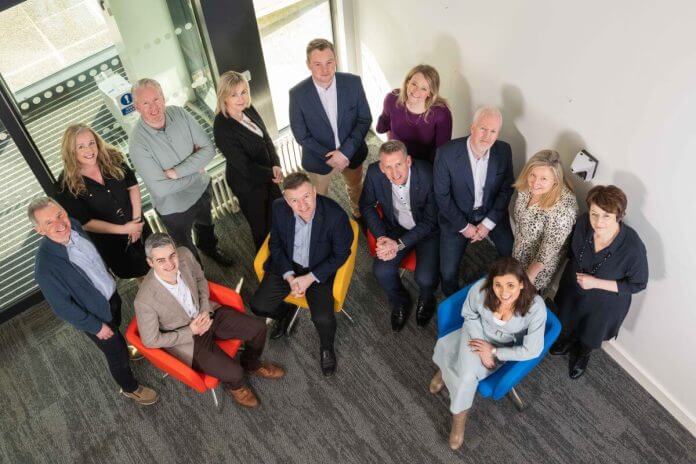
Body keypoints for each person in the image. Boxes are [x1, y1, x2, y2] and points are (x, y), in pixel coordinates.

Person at [30, 197, 158, 405]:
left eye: (59, 215)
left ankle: (122, 347)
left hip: (110, 296)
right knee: (116, 355)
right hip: (95, 317)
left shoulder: (75, 225)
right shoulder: (45, 268)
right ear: (39, 230)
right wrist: (96, 327)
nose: (60, 224)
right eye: (49, 222)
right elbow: (63, 308)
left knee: (117, 328)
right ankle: (130, 388)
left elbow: (93, 258)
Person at [135, 233, 284, 408]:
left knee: (258, 328)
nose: (170, 264)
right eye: (161, 260)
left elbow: (200, 279)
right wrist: (191, 331)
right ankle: (236, 388)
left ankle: (251, 363)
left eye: (172, 255)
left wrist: (205, 308)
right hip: (188, 339)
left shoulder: (185, 254)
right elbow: (150, 340)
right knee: (235, 373)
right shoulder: (144, 300)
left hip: (207, 313)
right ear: (150, 262)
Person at [430, 257, 546, 450]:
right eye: (498, 285)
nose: (504, 293)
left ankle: (458, 419)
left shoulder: (536, 308)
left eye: (510, 285)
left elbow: (532, 349)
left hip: (500, 348)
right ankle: (448, 379)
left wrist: (492, 351)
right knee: (466, 375)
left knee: (466, 376)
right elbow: (469, 314)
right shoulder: (482, 289)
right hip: (475, 332)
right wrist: (480, 344)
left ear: (522, 284)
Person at [250, 172, 352, 376]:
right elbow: (275, 244)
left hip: (318, 270)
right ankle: (285, 313)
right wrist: (289, 276)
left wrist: (309, 278)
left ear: (314, 191)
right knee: (258, 306)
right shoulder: (279, 207)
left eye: (306, 196)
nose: (302, 205)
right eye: (294, 200)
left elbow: (342, 254)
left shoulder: (335, 216)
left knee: (323, 318)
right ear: (286, 200)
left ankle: (326, 347)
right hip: (287, 266)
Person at [129, 78, 232, 266]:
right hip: (173, 209)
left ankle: (209, 248)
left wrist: (176, 172)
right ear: (136, 107)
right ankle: (198, 274)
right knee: (185, 248)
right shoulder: (137, 144)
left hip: (201, 190)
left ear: (163, 97)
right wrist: (196, 170)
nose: (154, 108)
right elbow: (161, 189)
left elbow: (209, 149)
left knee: (206, 226)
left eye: (156, 99)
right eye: (145, 103)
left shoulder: (179, 113)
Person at [551, 185, 648, 379]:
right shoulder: (583, 223)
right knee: (568, 319)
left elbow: (638, 284)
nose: (598, 222)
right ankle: (569, 341)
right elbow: (571, 251)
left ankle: (582, 354)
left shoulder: (632, 247)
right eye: (594, 214)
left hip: (604, 302)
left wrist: (595, 283)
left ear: (619, 216)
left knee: (591, 333)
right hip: (573, 288)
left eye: (606, 216)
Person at [434, 106, 515, 296]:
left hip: (491, 214)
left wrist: (488, 224)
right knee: (447, 273)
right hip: (456, 217)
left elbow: (506, 189)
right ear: (472, 128)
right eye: (483, 129)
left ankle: (504, 294)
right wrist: (464, 227)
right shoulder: (446, 153)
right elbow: (442, 197)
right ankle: (452, 299)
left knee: (512, 255)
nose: (487, 136)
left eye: (493, 131)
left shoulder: (504, 150)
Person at [359, 140, 440, 330]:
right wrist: (382, 237)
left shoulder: (428, 174)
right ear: (381, 167)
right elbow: (366, 205)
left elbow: (430, 221)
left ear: (408, 161)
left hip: (426, 230)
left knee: (426, 278)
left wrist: (399, 244)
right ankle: (400, 300)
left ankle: (427, 298)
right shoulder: (374, 173)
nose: (395, 173)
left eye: (399, 165)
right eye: (388, 167)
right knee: (381, 271)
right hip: (395, 227)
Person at [289, 38, 372, 219]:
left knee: (356, 187)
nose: (324, 70)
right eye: (317, 64)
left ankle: (358, 212)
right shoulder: (297, 94)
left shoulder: (353, 83)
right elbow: (301, 135)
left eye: (329, 62)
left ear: (336, 60)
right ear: (308, 65)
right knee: (319, 199)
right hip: (319, 159)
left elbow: (364, 119)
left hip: (352, 153)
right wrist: (331, 157)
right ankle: (325, 224)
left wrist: (344, 152)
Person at [55, 123, 150, 279]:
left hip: (138, 225)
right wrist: (125, 229)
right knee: (137, 274)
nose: (89, 150)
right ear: (71, 151)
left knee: (155, 262)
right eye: (80, 147)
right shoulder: (65, 183)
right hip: (112, 242)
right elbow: (86, 222)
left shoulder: (113, 157)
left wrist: (136, 222)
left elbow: (132, 186)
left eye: (91, 143)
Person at [213, 71, 283, 250]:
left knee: (280, 214)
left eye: (243, 92)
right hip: (248, 185)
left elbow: (266, 137)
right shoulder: (221, 127)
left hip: (267, 174)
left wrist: (276, 164)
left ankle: (284, 249)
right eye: (234, 94)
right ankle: (266, 261)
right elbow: (244, 166)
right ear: (224, 97)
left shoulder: (248, 108)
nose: (241, 98)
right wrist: (271, 173)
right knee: (261, 227)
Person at [511, 150, 578, 292]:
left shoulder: (564, 208)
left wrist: (529, 277)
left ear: (556, 180)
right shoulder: (527, 185)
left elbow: (550, 248)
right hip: (519, 251)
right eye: (533, 175)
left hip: (538, 267)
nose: (535, 183)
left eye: (543, 179)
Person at [376, 64, 452, 164]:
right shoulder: (392, 99)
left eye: (424, 88)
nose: (416, 91)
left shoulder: (441, 114)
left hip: (424, 164)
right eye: (414, 84)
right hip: (396, 158)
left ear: (430, 93)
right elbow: (384, 126)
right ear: (407, 82)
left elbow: (442, 152)